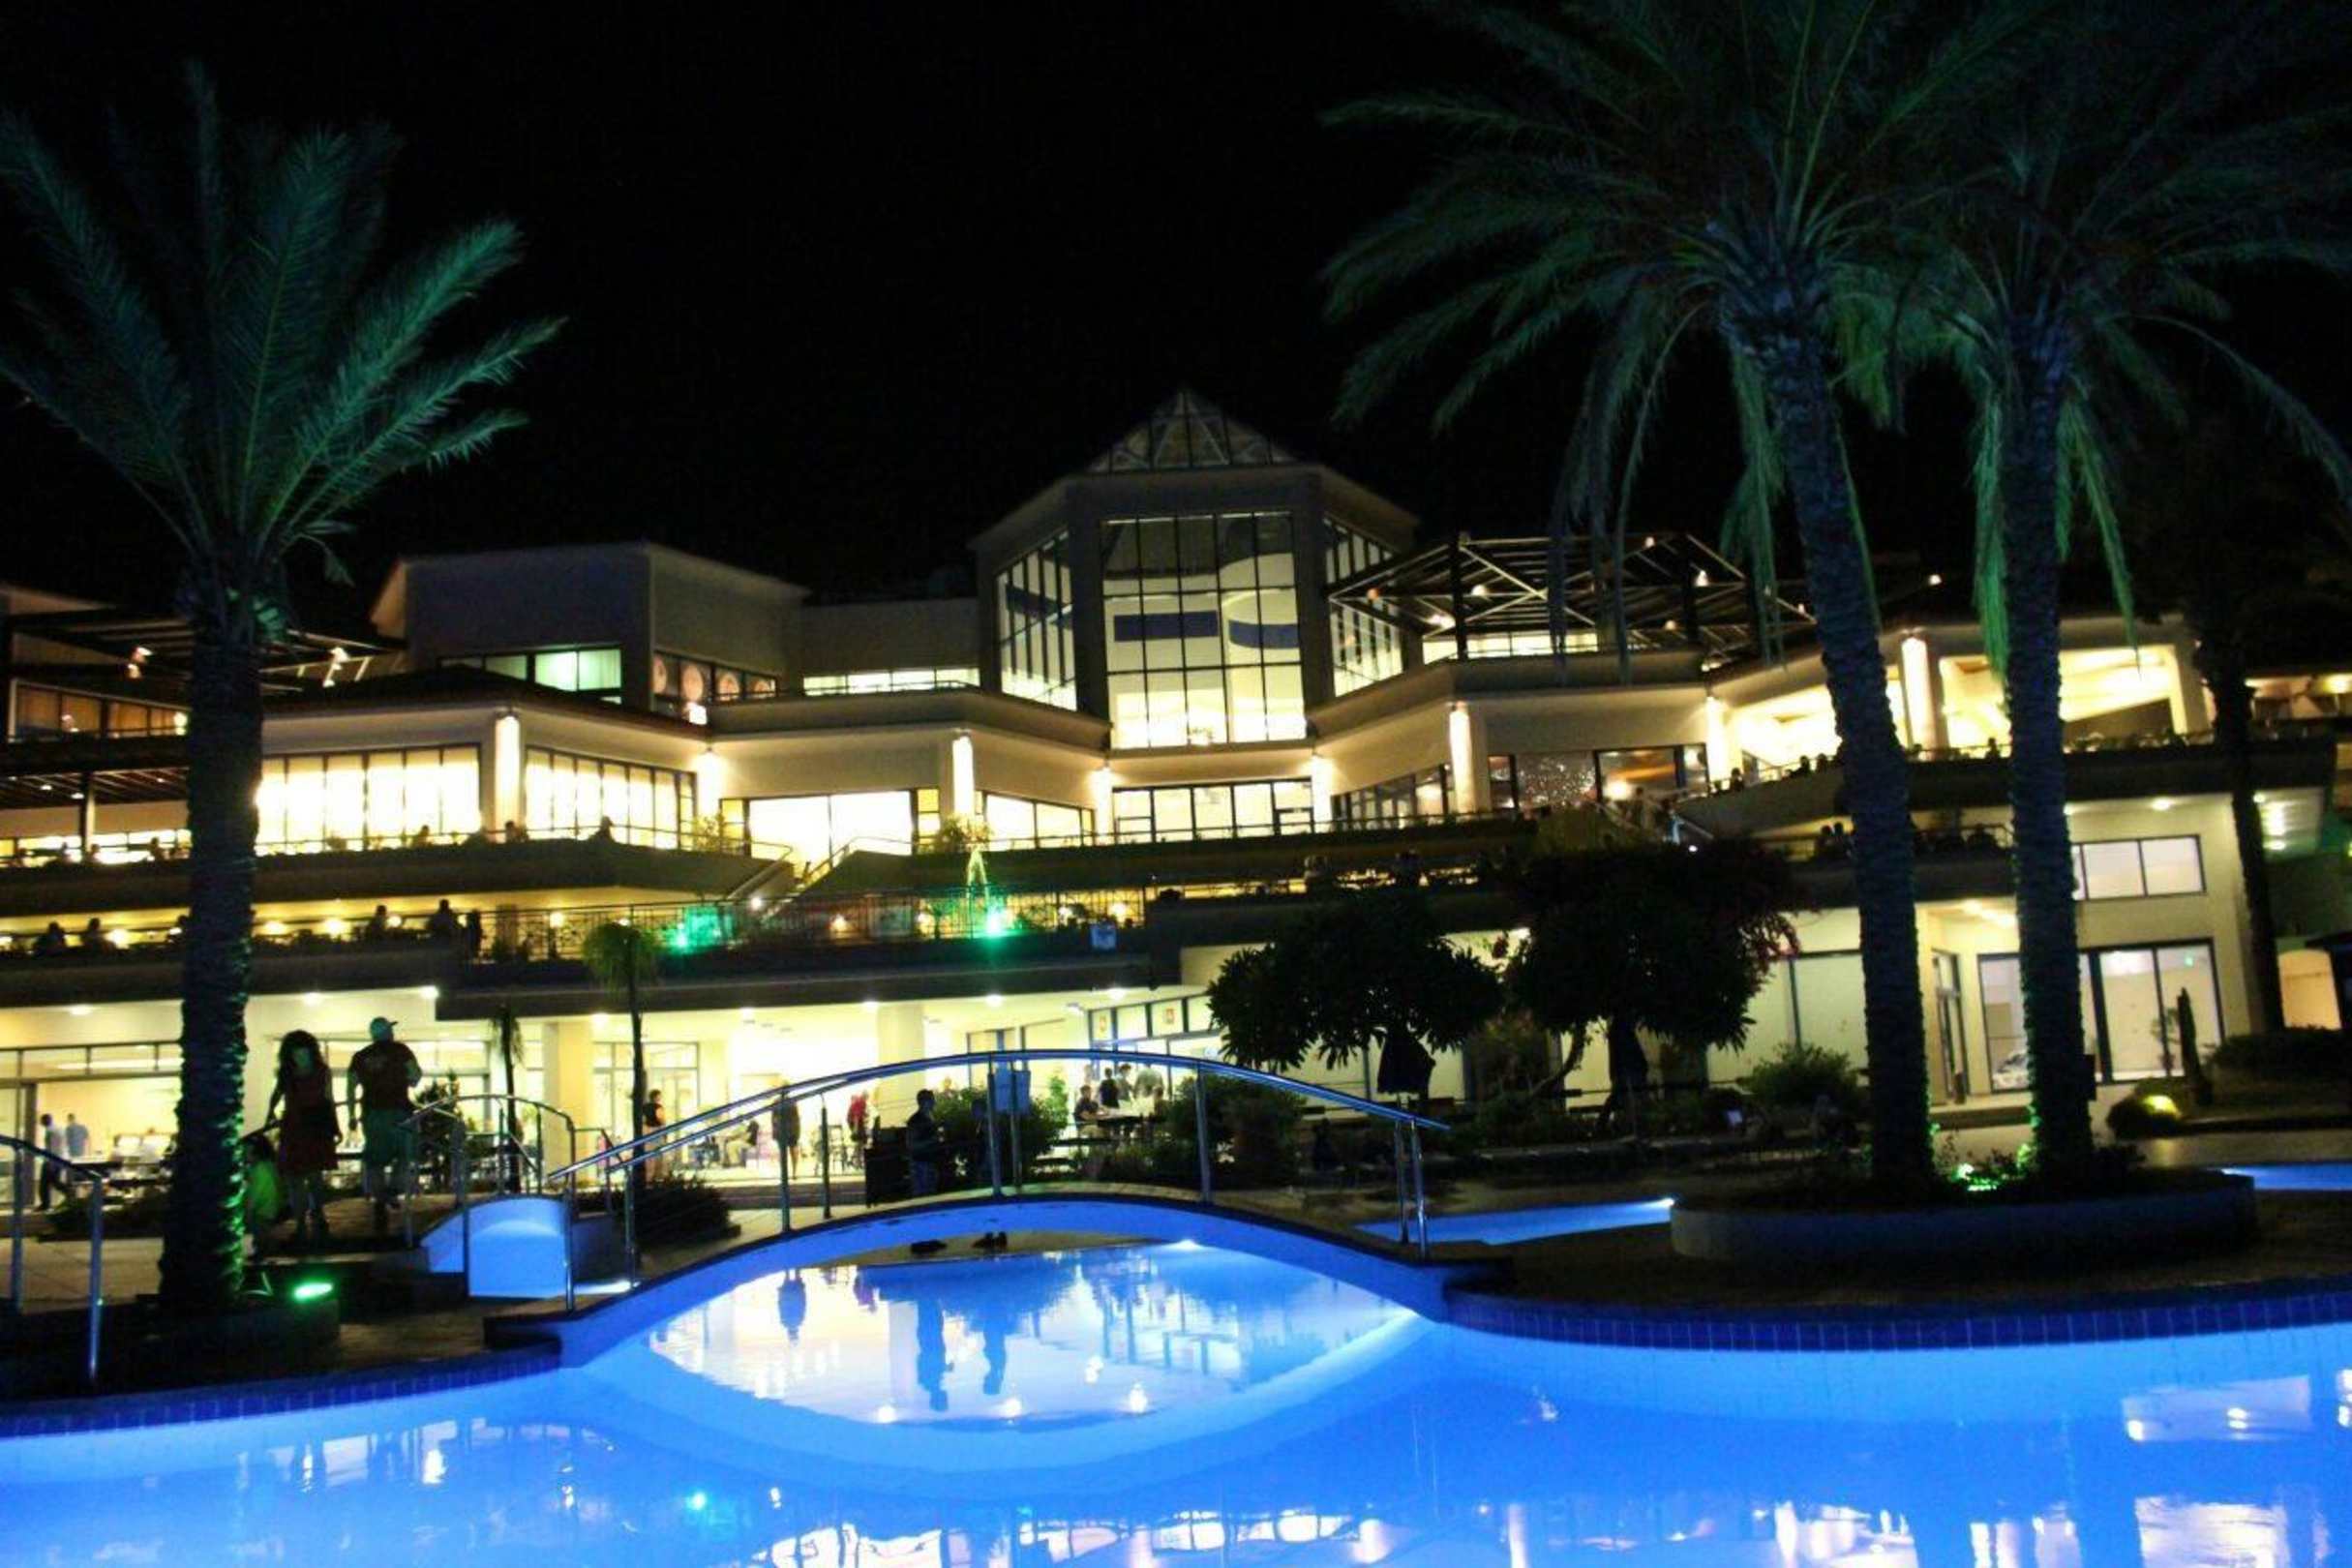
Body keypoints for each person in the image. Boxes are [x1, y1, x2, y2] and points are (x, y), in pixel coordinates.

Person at [347, 1016, 422, 1236]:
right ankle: (393, 1189)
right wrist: (408, 1080)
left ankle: (380, 1198)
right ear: (388, 1032)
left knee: (375, 1160)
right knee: (406, 1153)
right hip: (399, 1111)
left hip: (372, 1114)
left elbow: (350, 1087)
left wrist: (351, 1115)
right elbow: (415, 1076)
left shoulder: (360, 1056)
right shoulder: (401, 1051)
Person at [268, 1029, 340, 1249]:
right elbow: (277, 1094)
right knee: (296, 1177)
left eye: (303, 1053)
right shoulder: (289, 1073)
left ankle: (317, 1215)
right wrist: (270, 1112)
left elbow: (329, 1099)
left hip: (313, 1126)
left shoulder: (320, 1072)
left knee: (313, 1175)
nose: (300, 1057)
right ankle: (303, 1220)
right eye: (297, 1054)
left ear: (311, 1052)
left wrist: (335, 1126)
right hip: (296, 1126)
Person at [906, 1089, 946, 1255]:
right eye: (932, 1100)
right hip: (921, 1164)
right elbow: (912, 1145)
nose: (934, 1103)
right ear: (924, 1102)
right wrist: (933, 1140)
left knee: (929, 1202)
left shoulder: (928, 1118)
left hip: (928, 1163)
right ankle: (920, 1240)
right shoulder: (916, 1121)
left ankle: (929, 1237)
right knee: (922, 1203)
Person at [35, 1112, 66, 1210]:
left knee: (44, 1184)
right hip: (58, 1160)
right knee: (54, 1182)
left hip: (51, 1161)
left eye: (42, 1121)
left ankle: (45, 1204)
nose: (41, 1123)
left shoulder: (50, 1131)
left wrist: (50, 1163)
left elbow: (52, 1148)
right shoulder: (58, 1129)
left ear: (46, 1120)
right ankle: (69, 1192)